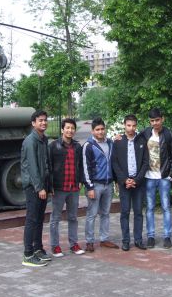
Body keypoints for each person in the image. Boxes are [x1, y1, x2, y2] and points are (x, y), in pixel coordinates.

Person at [140, 108, 172, 249]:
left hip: (163, 176)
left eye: (157, 120)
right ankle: (151, 236)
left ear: (162, 119)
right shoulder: (145, 133)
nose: (155, 123)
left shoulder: (169, 134)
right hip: (149, 176)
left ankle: (167, 236)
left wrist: (170, 175)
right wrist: (119, 137)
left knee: (166, 207)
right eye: (152, 121)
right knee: (149, 207)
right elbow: (133, 142)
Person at [48, 118, 86, 257]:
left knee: (73, 217)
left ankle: (73, 244)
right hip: (59, 188)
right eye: (67, 128)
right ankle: (55, 246)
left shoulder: (77, 147)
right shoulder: (53, 146)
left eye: (72, 128)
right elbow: (49, 166)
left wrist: (80, 180)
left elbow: (81, 165)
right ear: (62, 130)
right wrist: (50, 185)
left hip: (73, 188)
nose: (70, 130)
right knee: (55, 218)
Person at [111, 114, 149, 251]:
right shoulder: (118, 142)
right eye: (128, 125)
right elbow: (115, 163)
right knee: (125, 212)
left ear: (136, 126)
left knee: (138, 212)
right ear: (124, 125)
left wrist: (136, 180)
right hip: (124, 183)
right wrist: (123, 180)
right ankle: (126, 240)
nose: (131, 128)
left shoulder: (142, 141)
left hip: (138, 183)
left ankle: (138, 240)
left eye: (133, 125)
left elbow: (145, 162)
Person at [20, 109, 53, 267]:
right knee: (32, 219)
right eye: (40, 120)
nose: (44, 122)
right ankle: (28, 254)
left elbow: (46, 164)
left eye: (45, 120)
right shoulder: (30, 141)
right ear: (33, 123)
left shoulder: (43, 139)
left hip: (43, 186)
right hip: (34, 187)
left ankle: (38, 249)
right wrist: (39, 188)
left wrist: (49, 186)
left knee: (39, 218)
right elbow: (32, 167)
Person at [82, 117, 119, 251]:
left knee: (105, 213)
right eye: (97, 129)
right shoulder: (88, 146)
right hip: (95, 185)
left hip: (108, 184)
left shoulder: (110, 143)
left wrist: (115, 180)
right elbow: (85, 167)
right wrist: (89, 187)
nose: (100, 131)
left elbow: (113, 163)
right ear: (92, 131)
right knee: (91, 214)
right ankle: (89, 241)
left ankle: (104, 239)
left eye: (102, 129)